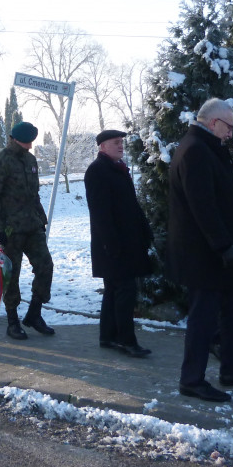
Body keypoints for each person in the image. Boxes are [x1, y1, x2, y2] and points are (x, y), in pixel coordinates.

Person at [168, 97, 233, 402]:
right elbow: (203, 206)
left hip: (222, 252)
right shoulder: (195, 150)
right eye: (229, 127)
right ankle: (192, 379)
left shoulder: (208, 148)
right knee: (204, 317)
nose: (231, 134)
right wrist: (224, 245)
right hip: (205, 254)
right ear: (213, 123)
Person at [84, 129, 154, 358]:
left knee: (114, 290)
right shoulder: (97, 171)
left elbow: (132, 206)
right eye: (116, 143)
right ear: (102, 146)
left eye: (121, 142)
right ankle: (126, 340)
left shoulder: (117, 168)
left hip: (125, 242)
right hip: (114, 246)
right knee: (125, 290)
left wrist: (145, 230)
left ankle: (108, 336)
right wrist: (111, 245)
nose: (121, 146)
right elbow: (100, 214)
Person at [0, 121, 55, 341]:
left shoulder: (31, 160)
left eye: (31, 141)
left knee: (45, 266)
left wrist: (41, 219)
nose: (30, 146)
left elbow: (34, 195)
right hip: (11, 229)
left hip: (33, 226)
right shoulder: (0, 160)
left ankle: (35, 313)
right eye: (27, 142)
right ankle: (12, 321)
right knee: (11, 276)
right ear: (16, 139)